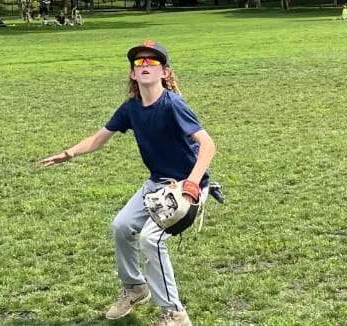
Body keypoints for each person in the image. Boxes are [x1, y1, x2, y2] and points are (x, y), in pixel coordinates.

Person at [41, 40, 216, 326]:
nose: (145, 65)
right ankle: (135, 288)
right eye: (139, 63)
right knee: (121, 226)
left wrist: (193, 185)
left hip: (186, 186)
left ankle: (174, 313)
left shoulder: (173, 104)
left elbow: (208, 145)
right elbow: (99, 138)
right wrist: (68, 153)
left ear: (165, 72)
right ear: (133, 74)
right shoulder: (131, 108)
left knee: (151, 240)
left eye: (153, 62)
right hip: (156, 183)